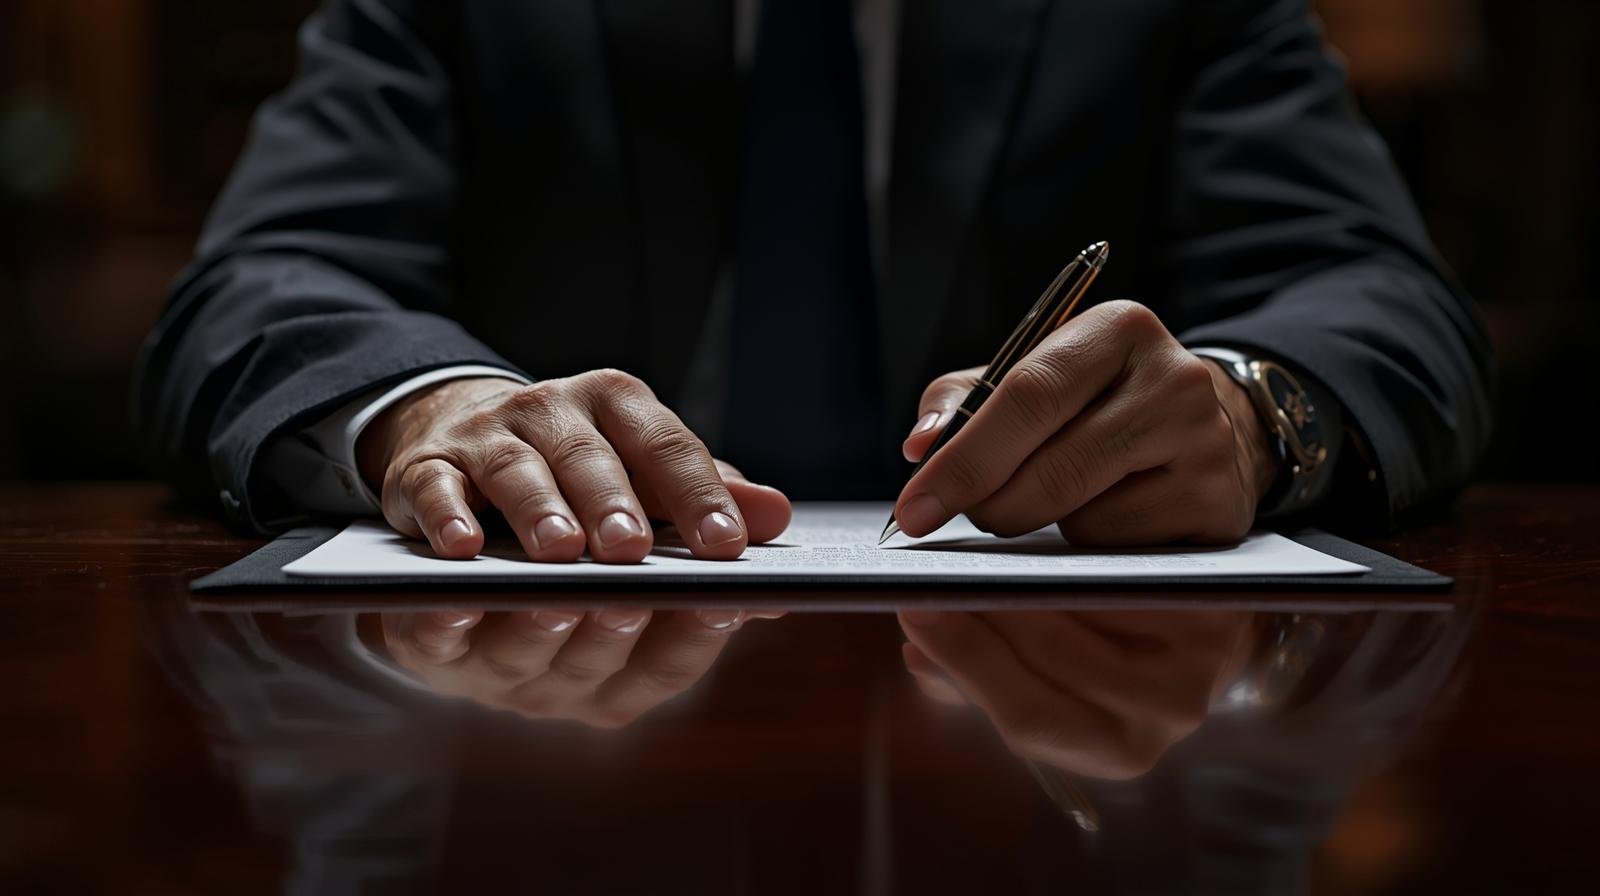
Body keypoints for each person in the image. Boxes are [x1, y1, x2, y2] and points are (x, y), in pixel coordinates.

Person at [134, 0, 1493, 561]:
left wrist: (1254, 412)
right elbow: (261, 278)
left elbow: (1379, 291)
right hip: (542, 696)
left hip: (1056, 729)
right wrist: (422, 404)